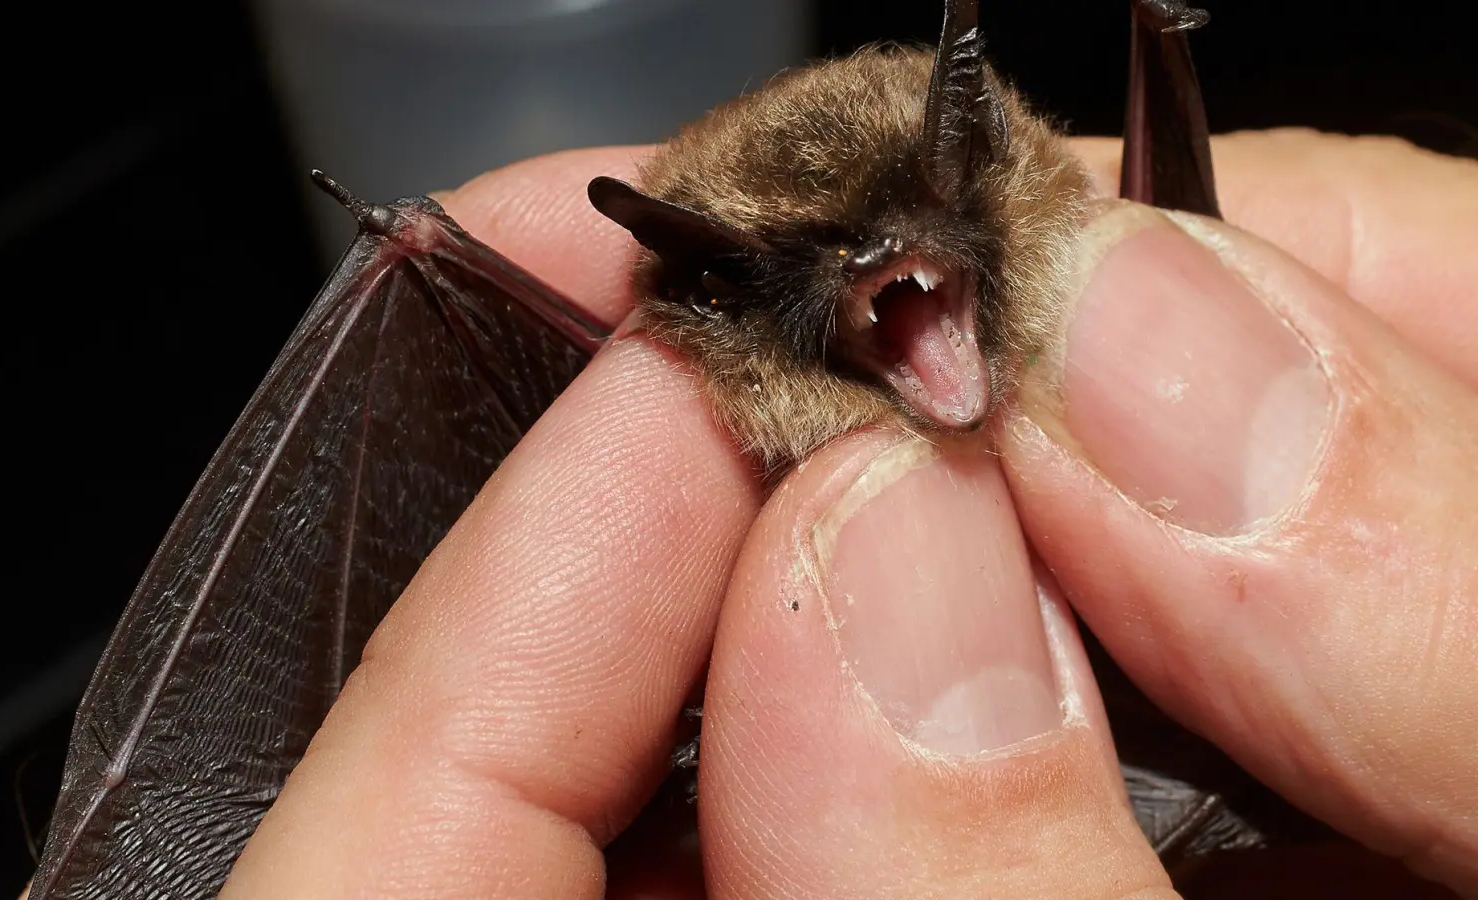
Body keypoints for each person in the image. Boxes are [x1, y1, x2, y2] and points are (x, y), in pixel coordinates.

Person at [207, 130, 1478, 898]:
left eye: (919, 234)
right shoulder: (708, 410)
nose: (884, 266)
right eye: (826, 269)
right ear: (718, 292)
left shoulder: (1056, 256)